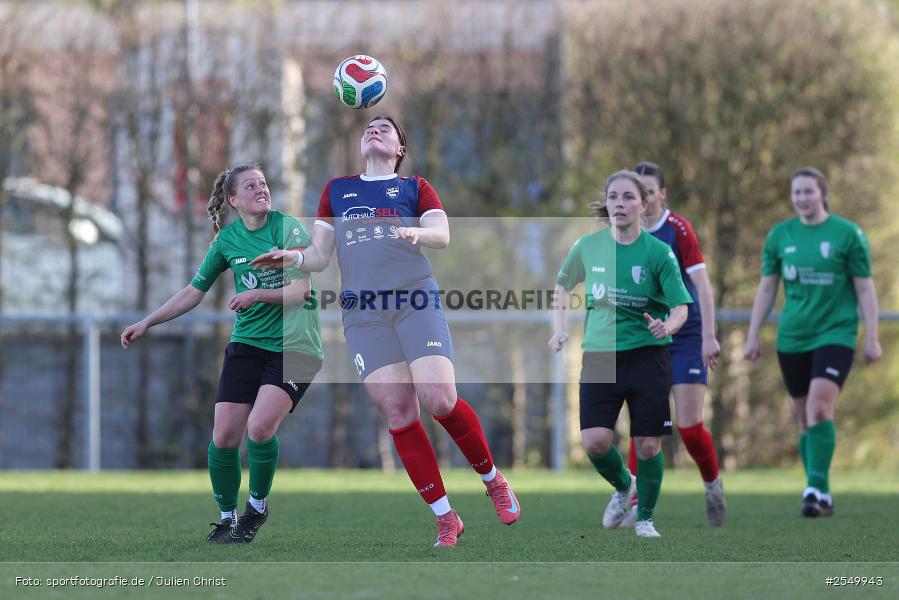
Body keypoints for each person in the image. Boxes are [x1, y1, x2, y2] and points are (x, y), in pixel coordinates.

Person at [250, 116, 520, 548]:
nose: (375, 130)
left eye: (386, 128)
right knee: (399, 411)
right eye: (370, 127)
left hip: (414, 300)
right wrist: (291, 258)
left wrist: (418, 231)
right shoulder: (337, 190)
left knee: (440, 399)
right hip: (363, 313)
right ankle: (446, 518)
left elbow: (443, 234)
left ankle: (493, 480)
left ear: (399, 148)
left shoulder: (415, 187)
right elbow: (319, 256)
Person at [121, 163, 323, 543]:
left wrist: (257, 294)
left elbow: (301, 292)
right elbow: (192, 292)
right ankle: (228, 518)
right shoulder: (228, 240)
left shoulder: (287, 227)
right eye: (251, 185)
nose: (261, 189)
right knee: (224, 436)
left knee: (260, 428)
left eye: (263, 183)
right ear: (233, 200)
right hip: (247, 345)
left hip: (295, 345)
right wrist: (147, 322)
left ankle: (257, 508)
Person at [549, 170, 692, 538]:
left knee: (647, 444)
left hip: (647, 355)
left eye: (628, 197)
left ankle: (644, 518)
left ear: (644, 205)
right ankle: (624, 487)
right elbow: (562, 286)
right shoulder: (587, 246)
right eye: (613, 197)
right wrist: (560, 327)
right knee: (596, 442)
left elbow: (680, 308)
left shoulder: (659, 253)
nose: (619, 204)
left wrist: (669, 326)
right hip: (600, 353)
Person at [744, 166, 881, 517]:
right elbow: (767, 287)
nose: (802, 198)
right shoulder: (780, 236)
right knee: (804, 420)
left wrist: (872, 338)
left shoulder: (847, 234)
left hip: (836, 332)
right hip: (793, 336)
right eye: (797, 193)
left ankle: (812, 489)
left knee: (820, 408)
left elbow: (864, 287)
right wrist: (752, 334)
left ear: (822, 194)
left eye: (808, 191)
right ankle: (821, 492)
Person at [617, 161, 725, 528]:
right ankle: (635, 498)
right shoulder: (620, 234)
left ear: (660, 194)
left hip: (686, 335)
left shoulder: (677, 230)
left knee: (689, 425)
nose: (642, 198)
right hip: (646, 337)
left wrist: (709, 336)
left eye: (649, 190)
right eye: (636, 191)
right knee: (643, 423)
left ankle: (712, 485)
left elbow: (703, 286)